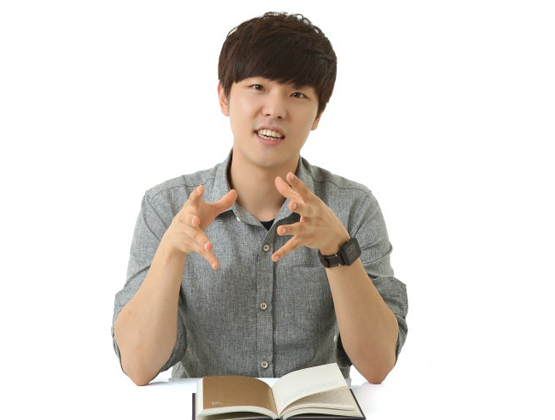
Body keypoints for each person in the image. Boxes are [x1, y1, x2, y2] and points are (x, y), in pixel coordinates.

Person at [112, 11, 408, 387]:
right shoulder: (166, 206)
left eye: (297, 94)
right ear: (224, 96)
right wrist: (171, 251)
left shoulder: (353, 206)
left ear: (318, 114)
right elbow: (139, 367)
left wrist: (338, 249)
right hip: (209, 410)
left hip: (314, 411)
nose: (275, 109)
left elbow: (378, 364)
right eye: (257, 87)